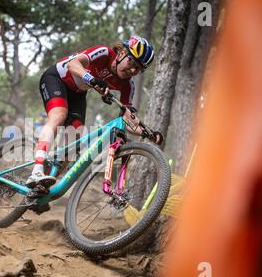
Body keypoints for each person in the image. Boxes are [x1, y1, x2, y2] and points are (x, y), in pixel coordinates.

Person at [26, 35, 162, 188]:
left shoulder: (127, 85)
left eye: (138, 69)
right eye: (131, 62)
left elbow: (128, 118)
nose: (132, 69)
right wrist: (91, 78)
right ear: (122, 53)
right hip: (56, 78)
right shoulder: (104, 52)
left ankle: (39, 190)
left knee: (71, 147)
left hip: (77, 94)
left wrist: (147, 133)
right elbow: (73, 64)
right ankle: (36, 170)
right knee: (59, 115)